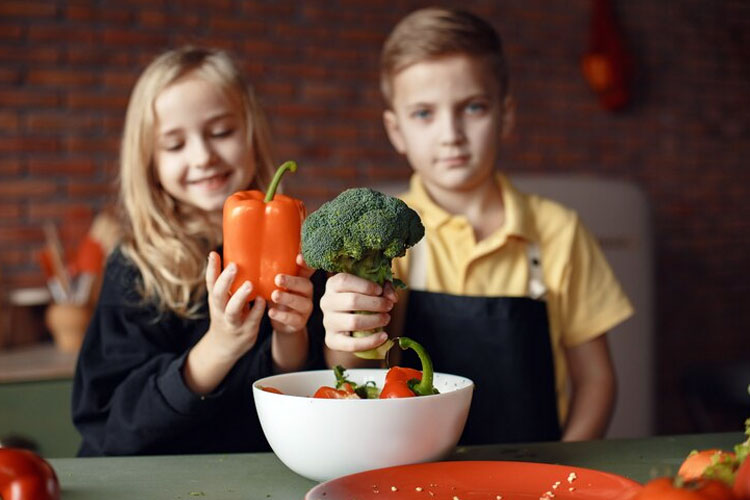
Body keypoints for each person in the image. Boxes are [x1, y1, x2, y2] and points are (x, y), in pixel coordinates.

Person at [320, 7, 634, 445]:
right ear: (395, 130)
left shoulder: (559, 231)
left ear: (505, 115)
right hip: (413, 472)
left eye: (473, 107)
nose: (451, 133)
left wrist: (566, 472)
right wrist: (346, 326)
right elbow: (358, 373)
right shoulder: (385, 239)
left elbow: (597, 382)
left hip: (535, 473)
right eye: (424, 113)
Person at [72, 47, 325, 456]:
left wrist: (290, 333)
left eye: (221, 132)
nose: (203, 157)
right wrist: (221, 344)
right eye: (174, 144)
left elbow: (305, 396)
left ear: (252, 134)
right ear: (149, 160)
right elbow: (111, 421)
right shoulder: (135, 264)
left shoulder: (301, 245)